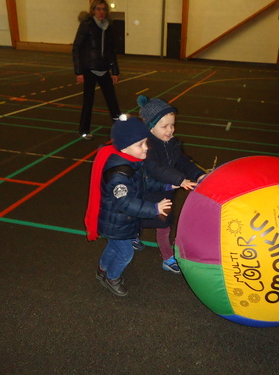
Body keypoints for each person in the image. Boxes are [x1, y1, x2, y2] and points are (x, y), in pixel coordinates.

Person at [84, 115, 174, 296]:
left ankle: (102, 269)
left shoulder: (131, 163)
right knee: (125, 253)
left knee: (113, 247)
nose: (146, 148)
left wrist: (167, 185)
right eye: (140, 145)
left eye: (145, 143)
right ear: (125, 147)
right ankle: (112, 278)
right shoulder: (119, 175)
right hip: (117, 222)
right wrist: (154, 209)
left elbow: (144, 183)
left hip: (120, 222)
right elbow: (125, 203)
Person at [137, 95, 207, 273]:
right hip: (148, 191)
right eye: (164, 126)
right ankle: (168, 258)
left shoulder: (172, 143)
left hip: (165, 192)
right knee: (153, 222)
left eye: (172, 125)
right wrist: (180, 180)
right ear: (151, 128)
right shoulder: (148, 147)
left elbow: (183, 161)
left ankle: (134, 235)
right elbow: (155, 168)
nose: (170, 130)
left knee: (162, 223)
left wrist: (198, 175)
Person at [72, 0, 121, 140]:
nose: (101, 12)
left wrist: (115, 71)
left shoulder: (108, 27)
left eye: (103, 9)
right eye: (98, 9)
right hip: (89, 70)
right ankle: (84, 130)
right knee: (88, 102)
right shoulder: (86, 26)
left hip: (104, 70)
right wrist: (79, 71)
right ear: (93, 10)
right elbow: (76, 48)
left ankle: (121, 130)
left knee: (113, 102)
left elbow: (111, 51)